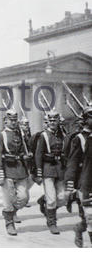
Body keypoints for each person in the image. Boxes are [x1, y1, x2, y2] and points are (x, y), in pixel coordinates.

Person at [0, 109, 32, 236]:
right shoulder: (1, 135)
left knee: (24, 197)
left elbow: (25, 149)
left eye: (15, 120)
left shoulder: (20, 134)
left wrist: (27, 155)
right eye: (11, 120)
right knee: (8, 198)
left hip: (20, 169)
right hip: (7, 169)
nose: (14, 122)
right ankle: (9, 222)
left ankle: (11, 211)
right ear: (5, 121)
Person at [35, 110, 67, 234]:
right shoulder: (43, 135)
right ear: (48, 122)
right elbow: (38, 155)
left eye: (55, 120)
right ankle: (52, 222)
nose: (53, 123)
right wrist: (38, 171)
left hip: (60, 169)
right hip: (47, 169)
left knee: (62, 197)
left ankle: (44, 201)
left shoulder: (62, 135)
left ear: (59, 121)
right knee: (52, 199)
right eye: (51, 121)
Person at [66, 106, 92, 247]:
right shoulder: (79, 138)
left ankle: (80, 227)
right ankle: (80, 230)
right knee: (89, 215)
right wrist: (70, 184)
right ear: (85, 119)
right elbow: (72, 163)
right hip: (84, 180)